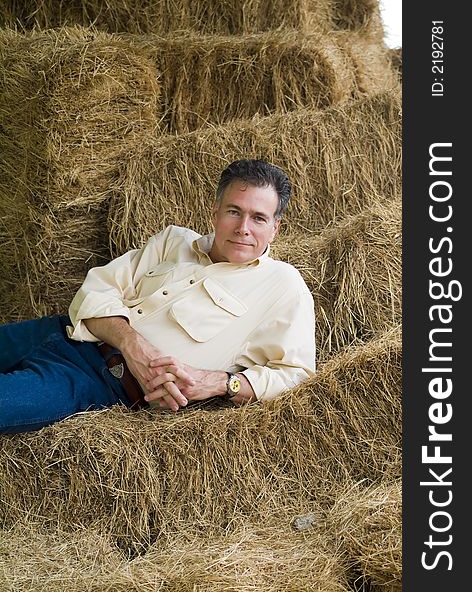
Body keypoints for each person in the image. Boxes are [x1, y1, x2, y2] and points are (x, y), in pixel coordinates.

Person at [0, 159, 316, 433]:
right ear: (215, 212)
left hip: (98, 381)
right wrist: (132, 342)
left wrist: (221, 382)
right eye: (234, 211)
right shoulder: (172, 241)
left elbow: (295, 374)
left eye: (258, 218)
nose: (243, 228)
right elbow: (98, 288)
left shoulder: (283, 286)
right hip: (61, 332)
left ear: (275, 228)